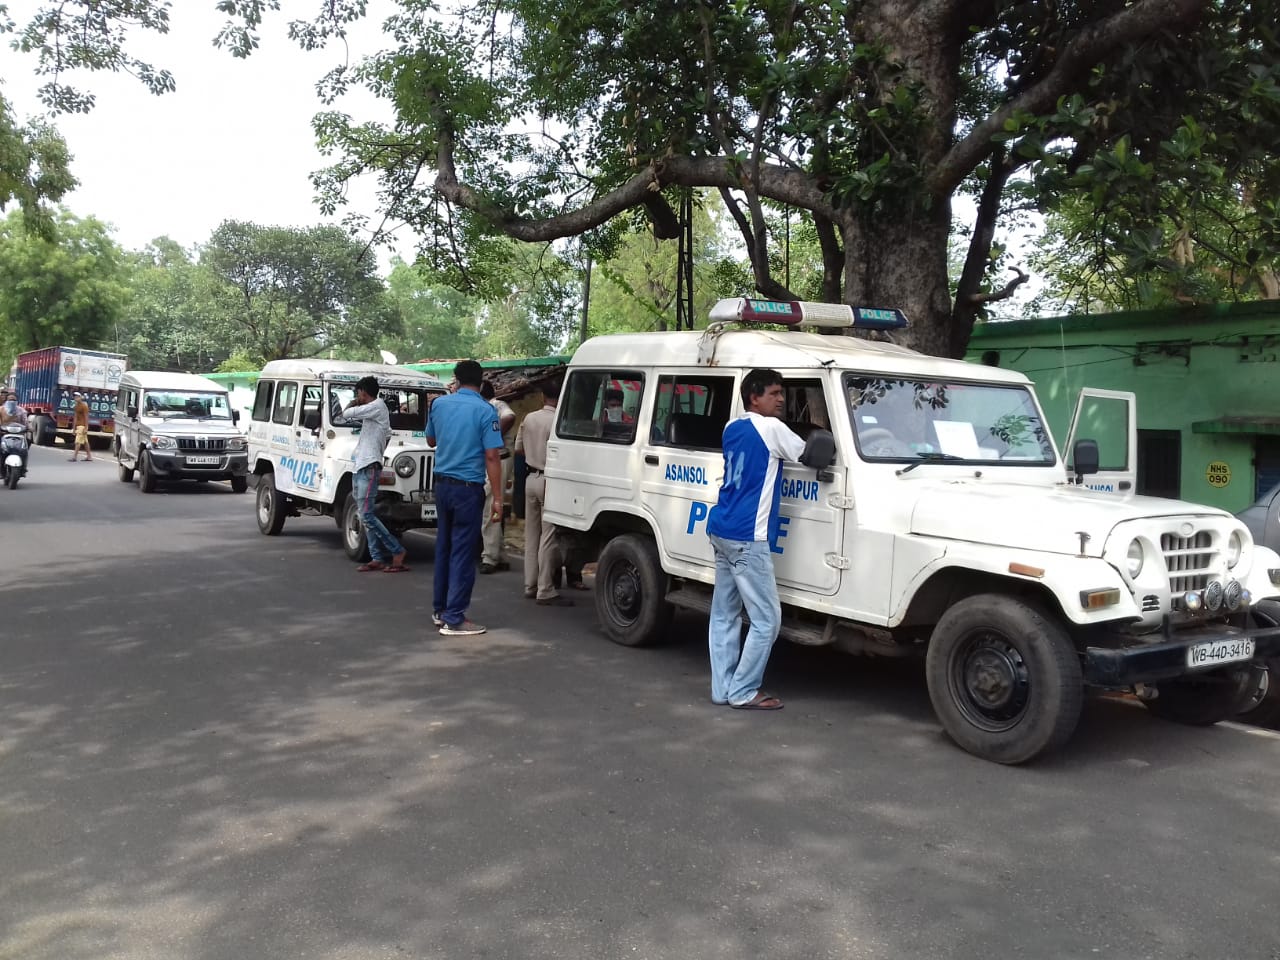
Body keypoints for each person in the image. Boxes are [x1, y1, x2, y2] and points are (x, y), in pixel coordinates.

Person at [706, 369, 806, 711]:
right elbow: (810, 454)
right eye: (774, 393)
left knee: (724, 613)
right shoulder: (773, 429)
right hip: (749, 536)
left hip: (721, 528)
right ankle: (744, 691)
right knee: (766, 619)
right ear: (754, 397)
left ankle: (722, 688)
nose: (780, 399)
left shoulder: (730, 427)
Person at [426, 359, 504, 635]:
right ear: (481, 382)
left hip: (442, 485)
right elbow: (492, 455)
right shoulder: (486, 411)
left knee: (444, 548)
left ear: (456, 380)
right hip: (468, 489)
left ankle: (440, 609)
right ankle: (455, 617)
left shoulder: (439, 405)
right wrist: (497, 498)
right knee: (462, 551)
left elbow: (431, 441)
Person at [514, 380, 573, 607]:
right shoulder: (560, 421)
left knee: (531, 536)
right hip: (550, 481)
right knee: (548, 538)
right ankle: (545, 588)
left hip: (530, 479)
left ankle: (530, 585)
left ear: (542, 397)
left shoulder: (529, 418)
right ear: (561, 398)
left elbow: (518, 449)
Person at [342, 376, 409, 574]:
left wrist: (355, 402)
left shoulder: (377, 406)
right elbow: (387, 434)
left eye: (359, 393)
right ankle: (377, 557)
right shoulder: (376, 411)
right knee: (365, 515)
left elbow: (346, 413)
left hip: (369, 466)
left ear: (363, 391)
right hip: (363, 464)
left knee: (367, 514)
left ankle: (397, 551)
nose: (357, 396)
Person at [478, 379, 516, 574]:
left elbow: (509, 417)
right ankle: (500, 555)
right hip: (493, 461)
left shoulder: (495, 404)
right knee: (491, 507)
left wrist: (493, 436)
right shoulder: (485, 406)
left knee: (490, 507)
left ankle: (489, 557)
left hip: (499, 460)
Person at [70, 392, 92, 461]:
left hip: (82, 426)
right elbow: (75, 417)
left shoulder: (84, 406)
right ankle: (89, 456)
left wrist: (86, 427)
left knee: (78, 442)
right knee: (85, 442)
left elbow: (86, 417)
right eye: (75, 397)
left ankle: (74, 457)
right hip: (78, 426)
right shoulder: (76, 406)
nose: (75, 398)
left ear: (80, 397)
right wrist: (73, 428)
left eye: (77, 397)